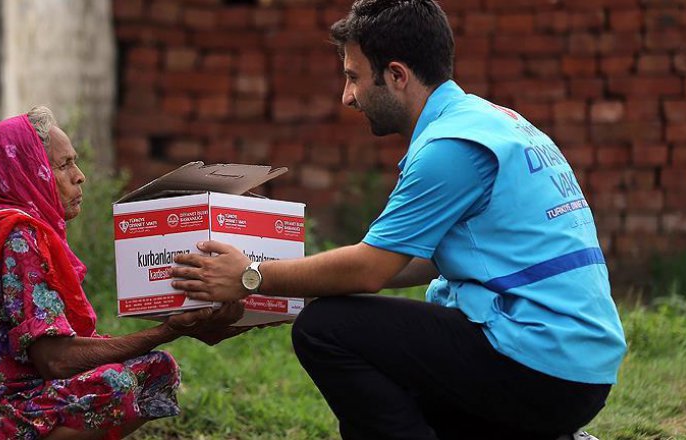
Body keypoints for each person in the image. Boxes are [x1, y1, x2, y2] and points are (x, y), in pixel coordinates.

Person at [170, 1, 627, 439]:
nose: (347, 97)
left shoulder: (450, 149)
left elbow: (370, 269)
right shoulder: (494, 122)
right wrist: (291, 289)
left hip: (542, 363)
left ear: (396, 75)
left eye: (353, 77)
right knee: (387, 367)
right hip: (577, 364)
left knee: (327, 329)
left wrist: (251, 276)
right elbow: (416, 260)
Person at [0, 106, 244, 439]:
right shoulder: (17, 236)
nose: (80, 176)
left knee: (151, 369)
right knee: (124, 381)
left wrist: (184, 327)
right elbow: (56, 361)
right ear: (29, 174)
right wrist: (166, 331)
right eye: (64, 165)